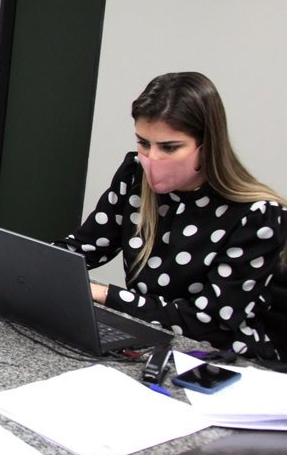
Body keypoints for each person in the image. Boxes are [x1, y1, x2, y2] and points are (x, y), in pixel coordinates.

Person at [54, 71, 286, 360]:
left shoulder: (258, 216)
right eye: (144, 143)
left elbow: (207, 323)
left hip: (226, 362)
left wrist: (103, 294)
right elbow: (83, 247)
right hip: (153, 344)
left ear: (207, 145)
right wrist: (29, 266)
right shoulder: (135, 178)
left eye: (170, 147)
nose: (152, 159)